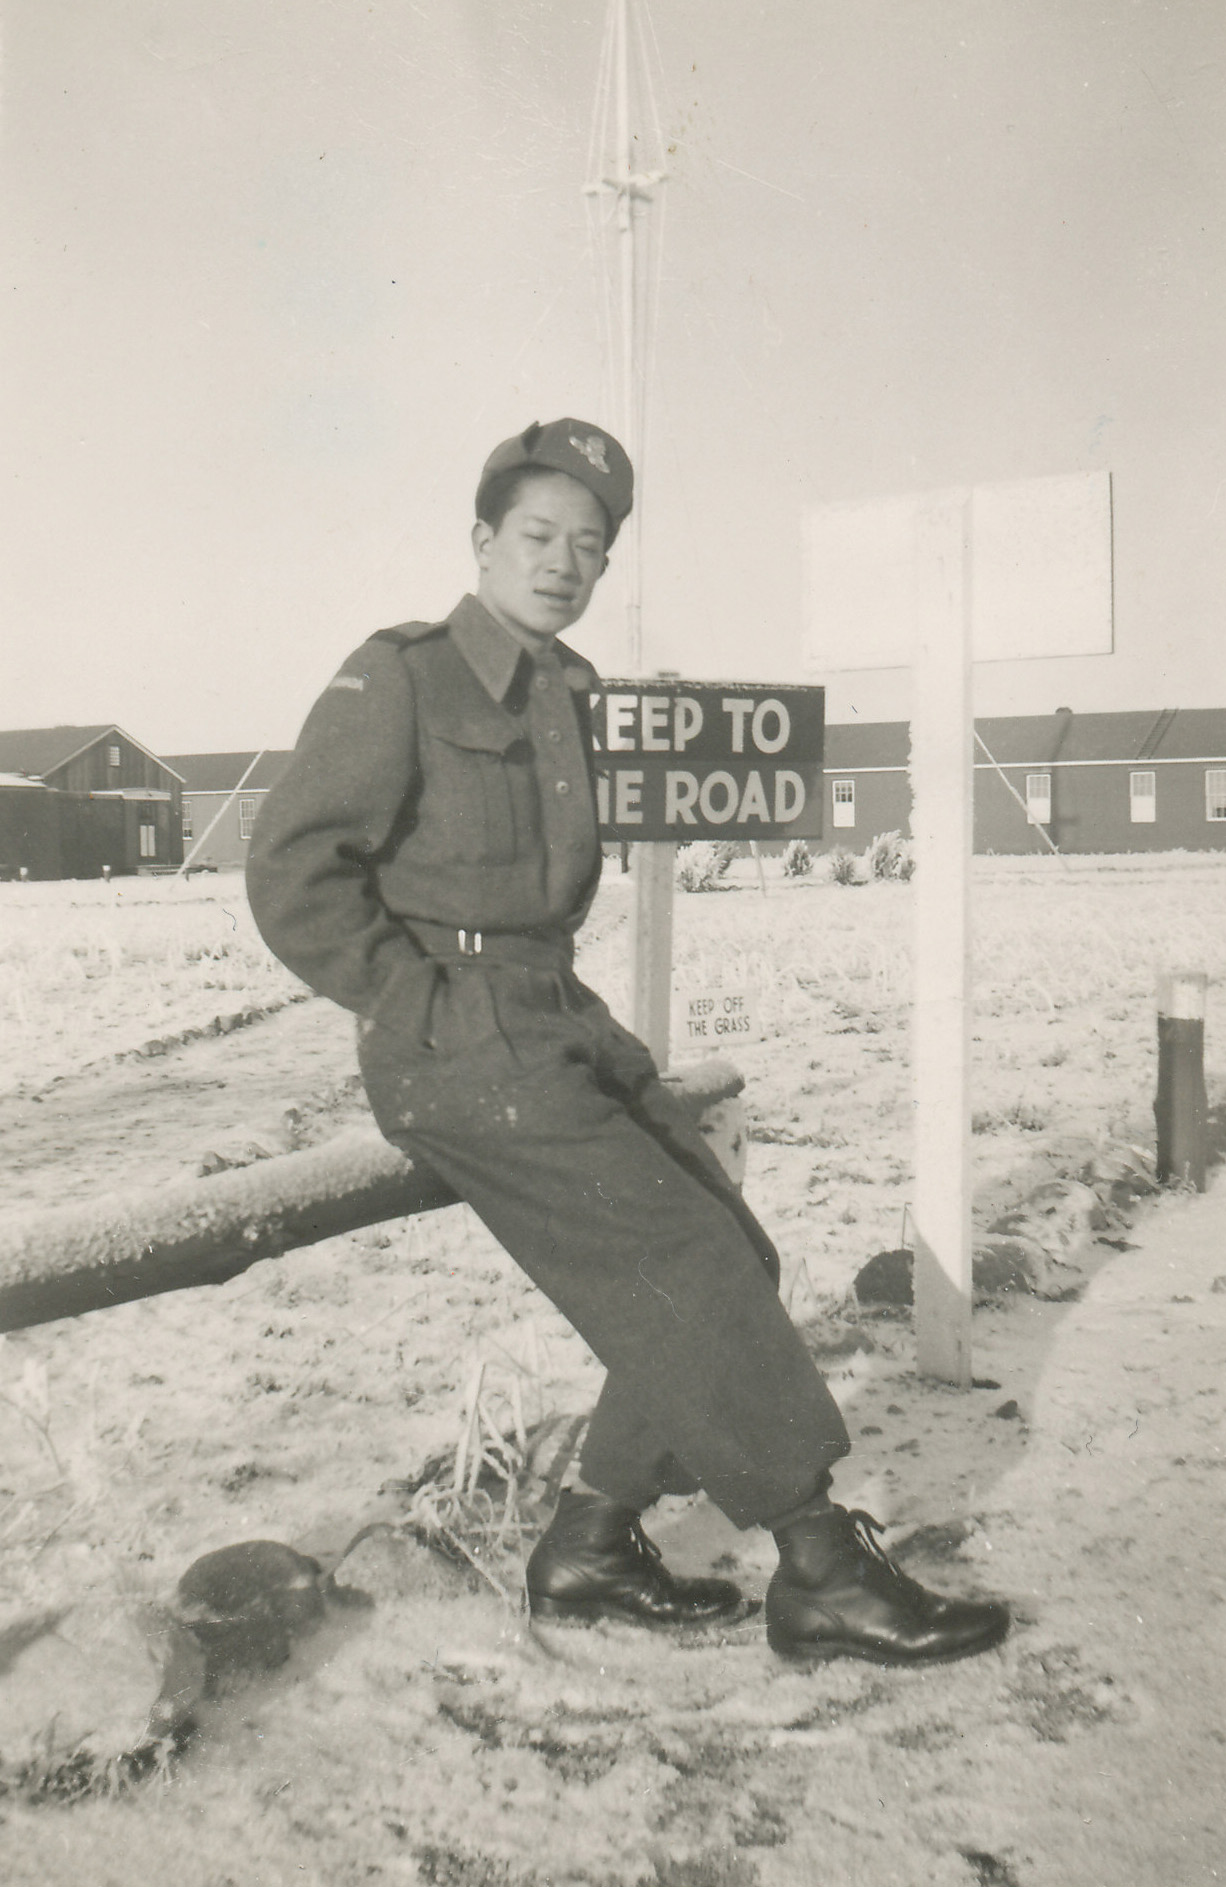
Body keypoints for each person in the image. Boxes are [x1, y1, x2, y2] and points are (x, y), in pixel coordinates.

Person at [246, 418, 1010, 1667]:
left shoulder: (574, 690)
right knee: (679, 1259)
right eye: (539, 536)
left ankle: (592, 1544)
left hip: (557, 1015)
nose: (562, 564)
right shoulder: (403, 674)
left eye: (588, 548)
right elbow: (291, 874)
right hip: (458, 1039)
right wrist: (419, 1002)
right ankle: (816, 1562)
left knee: (731, 1247)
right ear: (483, 540)